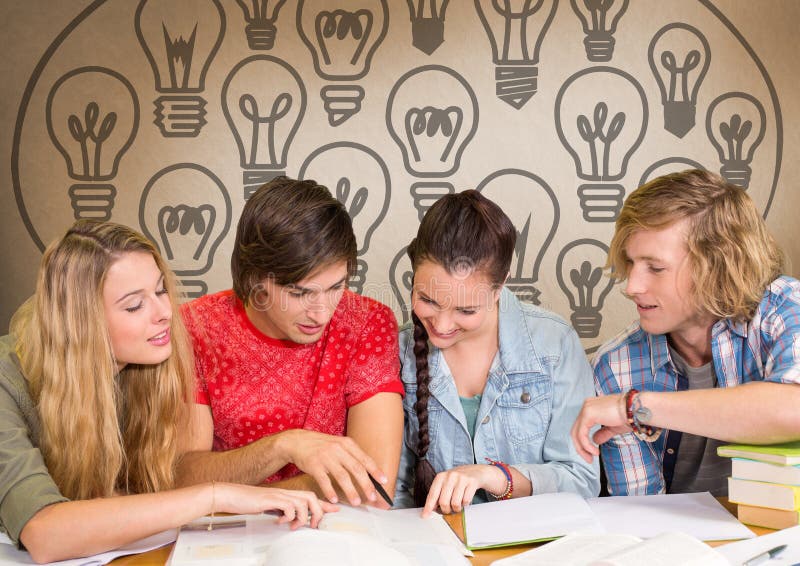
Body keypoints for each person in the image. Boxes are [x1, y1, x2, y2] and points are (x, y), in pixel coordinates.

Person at [0, 220, 334, 564]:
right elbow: (44, 534)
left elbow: (138, 492)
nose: (164, 313)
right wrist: (214, 496)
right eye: (134, 306)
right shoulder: (5, 382)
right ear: (81, 321)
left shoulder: (144, 364)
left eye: (160, 291)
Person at [177, 176, 404, 508]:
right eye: (300, 293)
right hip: (226, 541)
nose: (322, 312)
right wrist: (283, 446)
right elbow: (182, 478)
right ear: (255, 278)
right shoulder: (195, 327)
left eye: (336, 287)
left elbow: (374, 488)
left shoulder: (368, 323)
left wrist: (232, 492)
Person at [571, 169, 800, 496]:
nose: (632, 287)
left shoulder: (785, 309)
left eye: (656, 268)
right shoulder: (616, 365)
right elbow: (642, 511)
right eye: (631, 263)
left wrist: (637, 408)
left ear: (718, 265)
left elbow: (794, 409)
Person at [394, 190, 599, 515]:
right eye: (428, 300)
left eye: (466, 310)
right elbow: (393, 492)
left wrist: (497, 478)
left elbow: (582, 480)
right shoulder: (399, 352)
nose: (443, 324)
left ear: (500, 285)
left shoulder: (554, 344)